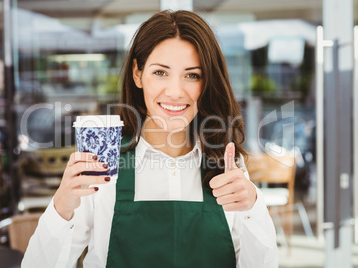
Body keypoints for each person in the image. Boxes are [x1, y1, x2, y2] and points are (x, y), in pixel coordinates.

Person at [22, 10, 277, 267]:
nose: (175, 91)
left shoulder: (226, 166)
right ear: (137, 73)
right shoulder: (102, 167)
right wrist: (62, 206)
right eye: (160, 72)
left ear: (206, 82)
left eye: (192, 75)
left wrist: (253, 207)